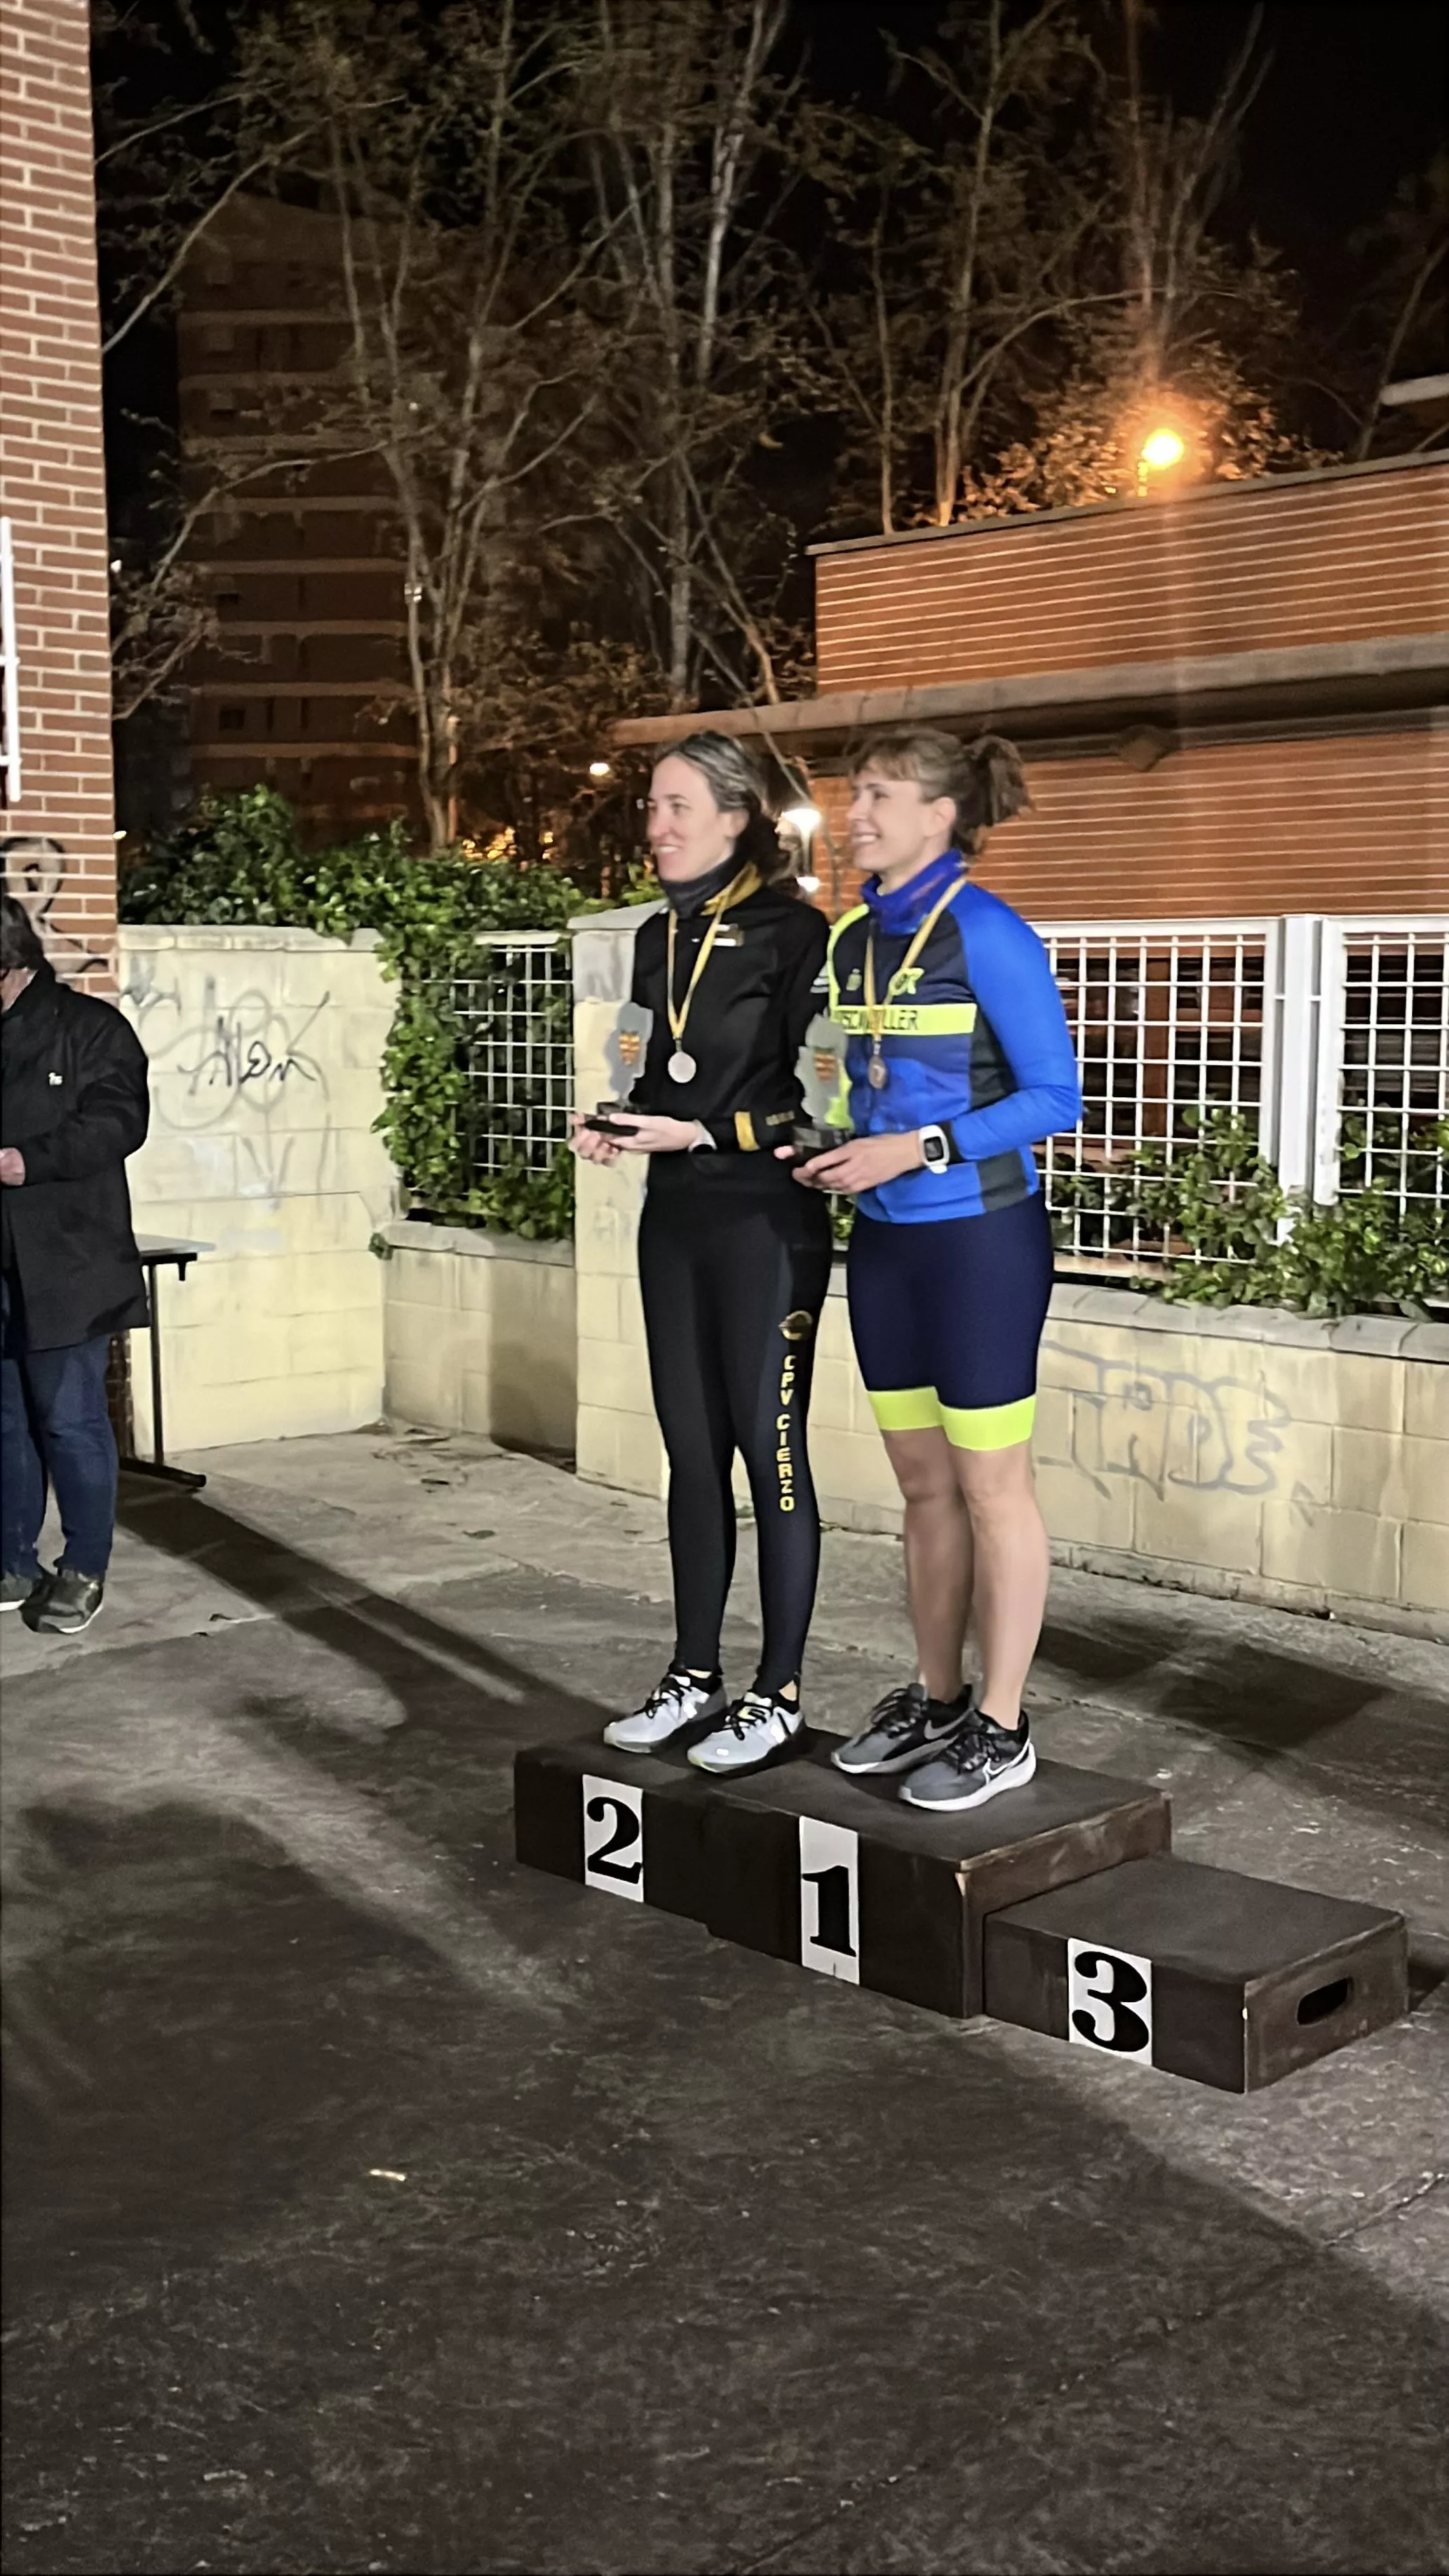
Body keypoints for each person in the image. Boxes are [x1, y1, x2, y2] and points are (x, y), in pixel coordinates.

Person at [790, 730, 1082, 1811]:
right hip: (884, 1243)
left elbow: (1058, 1099)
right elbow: (842, 1068)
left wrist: (912, 1150)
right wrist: (818, 1137)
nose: (853, 811)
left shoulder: (989, 934)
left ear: (938, 816)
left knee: (991, 1489)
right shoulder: (856, 936)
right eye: (853, 793)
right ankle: (937, 1695)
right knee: (921, 1489)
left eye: (876, 795)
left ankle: (1004, 1726)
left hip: (976, 1245)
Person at [572, 734, 832, 1775]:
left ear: (736, 816)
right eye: (649, 805)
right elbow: (651, 1066)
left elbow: (818, 1108)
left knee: (771, 1461)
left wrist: (706, 1136)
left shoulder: (794, 934)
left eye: (678, 805)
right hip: (672, 1216)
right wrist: (618, 1121)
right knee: (689, 1457)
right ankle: (694, 1675)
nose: (656, 825)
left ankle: (778, 1691)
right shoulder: (652, 938)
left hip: (764, 1221)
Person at [0, 893, 151, 1635]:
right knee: (5, 1422)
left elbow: (121, 1122)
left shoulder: (92, 1030)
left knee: (69, 1421)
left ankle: (83, 1566)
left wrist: (27, 1162)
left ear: (13, 966)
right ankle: (12, 1557)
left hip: (69, 1265)